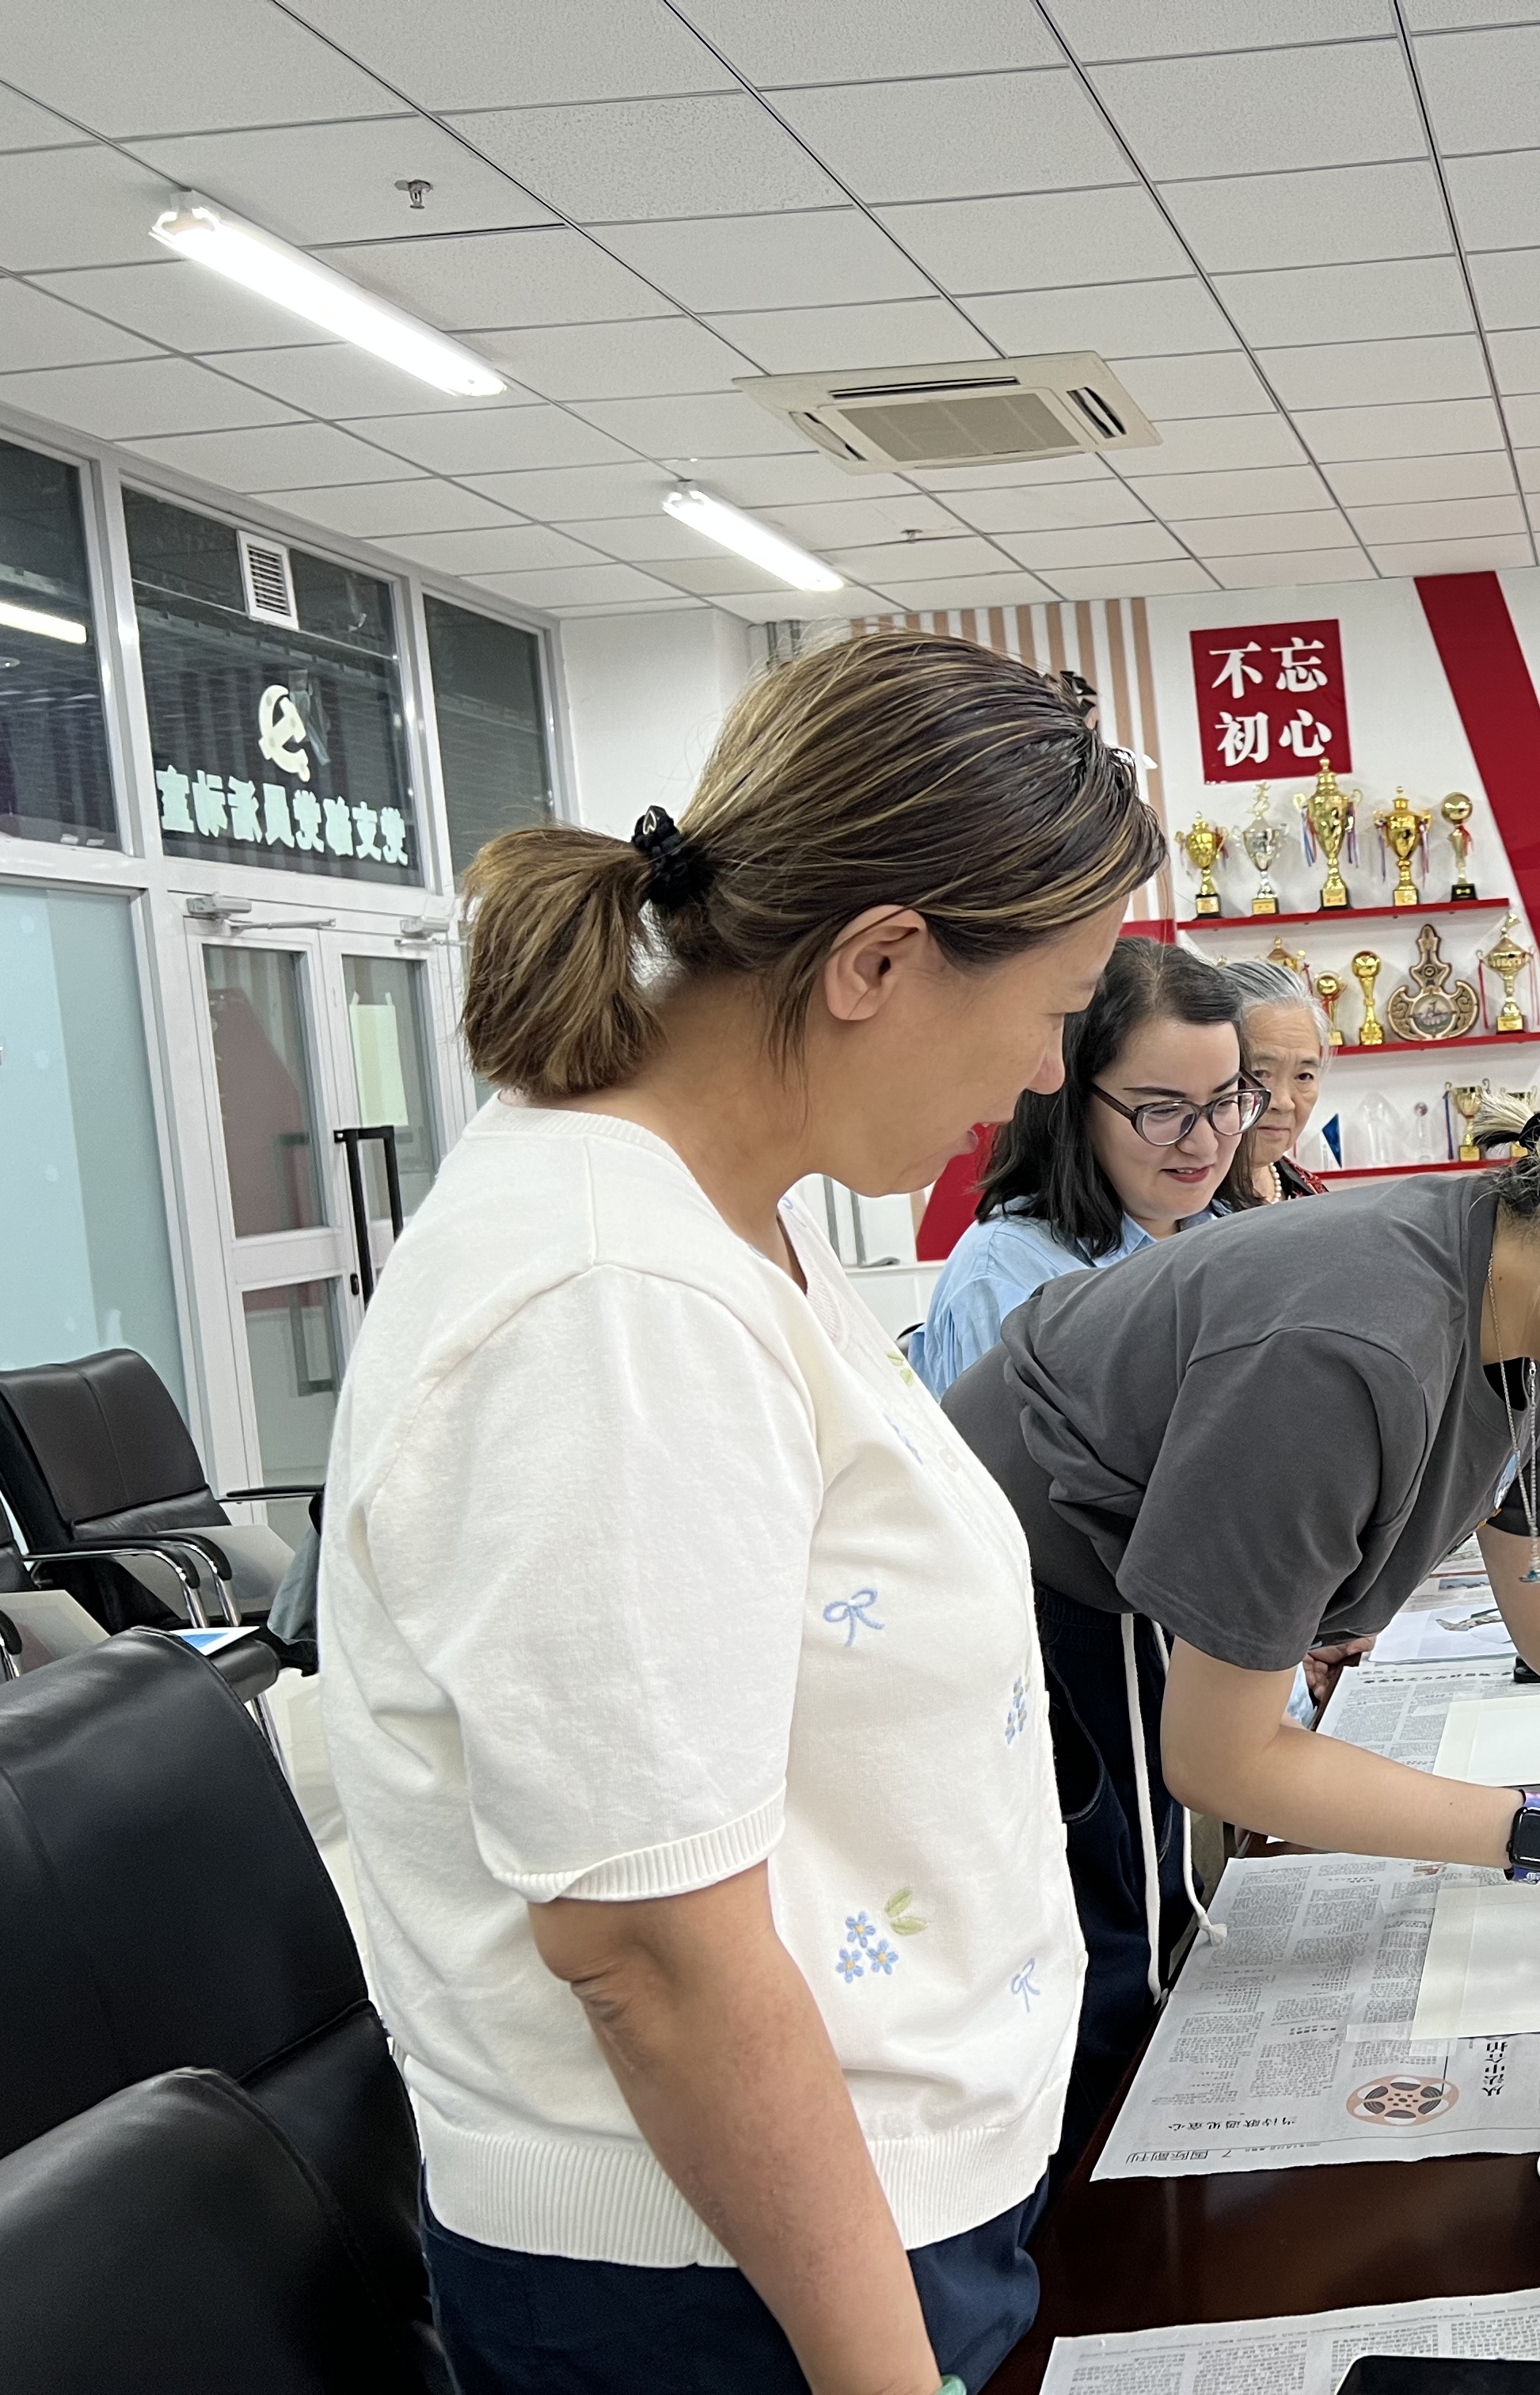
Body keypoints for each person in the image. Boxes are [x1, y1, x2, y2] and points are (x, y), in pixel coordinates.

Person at [318, 632, 1163, 2395]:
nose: (1040, 1075)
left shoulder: (715, 1212)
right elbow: (651, 1950)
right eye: (1052, 1009)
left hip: (833, 2219)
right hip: (730, 2278)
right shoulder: (611, 1296)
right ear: (880, 961)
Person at [943, 1041, 1540, 2150]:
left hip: (1116, 1605)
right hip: (1023, 1620)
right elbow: (1223, 1759)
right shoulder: (1349, 1353)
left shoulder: (1520, 1298)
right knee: (1089, 2024)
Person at [909, 939, 1262, 1395]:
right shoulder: (1007, 1275)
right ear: (1072, 1106)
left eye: (1225, 1101)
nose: (1205, 1144)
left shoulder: (1234, 1233)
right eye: (1162, 1111)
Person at [1211, 956, 1331, 1206]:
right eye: (1260, 1073)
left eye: (1303, 1076)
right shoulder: (1176, 1211)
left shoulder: (1311, 1193)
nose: (1283, 1103)